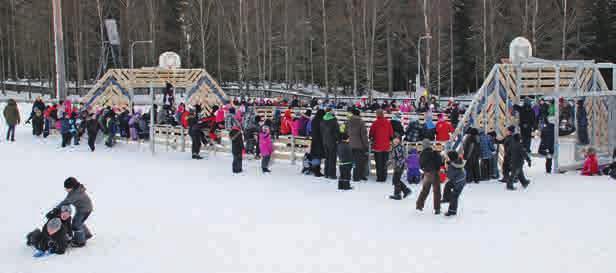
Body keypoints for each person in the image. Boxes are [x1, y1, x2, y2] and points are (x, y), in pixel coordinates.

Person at [58, 177, 93, 247]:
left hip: (85, 210)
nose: (66, 189)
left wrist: (57, 207)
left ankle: (80, 242)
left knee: (76, 224)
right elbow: (67, 199)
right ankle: (86, 234)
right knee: (79, 222)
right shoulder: (75, 190)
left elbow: (67, 201)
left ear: (72, 187)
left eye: (67, 188)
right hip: (82, 208)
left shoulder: (76, 194)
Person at [416, 139, 443, 214]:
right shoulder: (435, 153)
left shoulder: (422, 154)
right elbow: (440, 162)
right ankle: (437, 208)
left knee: (425, 190)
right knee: (437, 191)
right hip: (435, 173)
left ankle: (419, 206)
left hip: (427, 173)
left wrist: (424, 169)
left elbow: (421, 164)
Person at [370, 110, 394, 182]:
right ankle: (384, 177)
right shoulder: (388, 122)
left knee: (378, 163)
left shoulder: (375, 123)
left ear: (377, 115)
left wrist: (372, 138)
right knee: (384, 162)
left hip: (377, 146)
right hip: (386, 146)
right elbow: (391, 134)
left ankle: (379, 177)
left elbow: (371, 134)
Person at [346, 108, 369, 181]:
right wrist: (366, 145)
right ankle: (357, 177)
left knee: (349, 161)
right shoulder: (361, 122)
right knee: (358, 162)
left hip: (349, 144)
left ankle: (347, 175)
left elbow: (345, 132)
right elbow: (364, 135)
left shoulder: (348, 121)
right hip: (359, 145)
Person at [442, 151, 466, 217]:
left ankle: (452, 211)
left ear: (451, 158)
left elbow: (449, 176)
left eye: (448, 157)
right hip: (459, 179)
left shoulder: (452, 166)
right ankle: (446, 198)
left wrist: (444, 171)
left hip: (459, 182)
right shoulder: (457, 161)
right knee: (447, 185)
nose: (447, 158)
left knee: (454, 196)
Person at [320, 109, 340, 179]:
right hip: (332, 142)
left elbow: (321, 131)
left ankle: (326, 173)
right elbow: (337, 132)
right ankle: (332, 174)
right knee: (332, 158)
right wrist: (338, 139)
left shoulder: (322, 120)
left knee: (327, 158)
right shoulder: (334, 121)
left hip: (325, 141)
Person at [310, 109, 326, 177]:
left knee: (315, 156)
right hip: (319, 140)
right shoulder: (321, 120)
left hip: (314, 140)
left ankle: (314, 169)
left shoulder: (314, 120)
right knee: (318, 156)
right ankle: (317, 171)